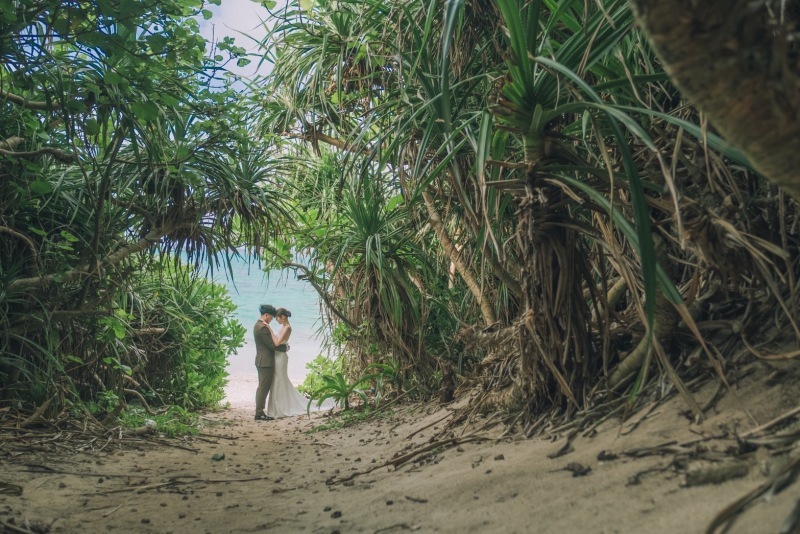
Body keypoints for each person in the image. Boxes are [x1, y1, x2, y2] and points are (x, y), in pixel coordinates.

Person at [266, 307, 334, 418]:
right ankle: (277, 407)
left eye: (277, 318)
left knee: (280, 379)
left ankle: (281, 407)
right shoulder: (283, 326)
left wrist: (269, 330)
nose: (276, 320)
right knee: (277, 379)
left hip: (281, 357)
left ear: (282, 317)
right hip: (277, 356)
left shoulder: (287, 327)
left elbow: (277, 342)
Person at [253, 304, 288, 421]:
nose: (272, 319)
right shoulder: (262, 327)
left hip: (262, 360)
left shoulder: (258, 325)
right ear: (266, 315)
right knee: (263, 387)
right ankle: (259, 412)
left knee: (263, 386)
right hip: (265, 362)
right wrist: (285, 348)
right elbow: (272, 345)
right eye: (271, 317)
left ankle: (260, 411)